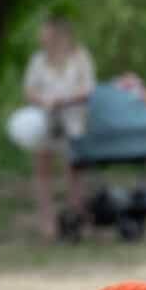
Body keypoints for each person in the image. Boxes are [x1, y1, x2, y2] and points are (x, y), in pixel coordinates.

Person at [20, 17, 95, 239]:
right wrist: (44, 100)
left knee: (74, 170)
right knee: (43, 170)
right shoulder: (38, 60)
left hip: (73, 120)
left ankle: (77, 217)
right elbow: (29, 90)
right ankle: (47, 222)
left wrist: (66, 99)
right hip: (46, 119)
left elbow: (89, 87)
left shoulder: (79, 57)